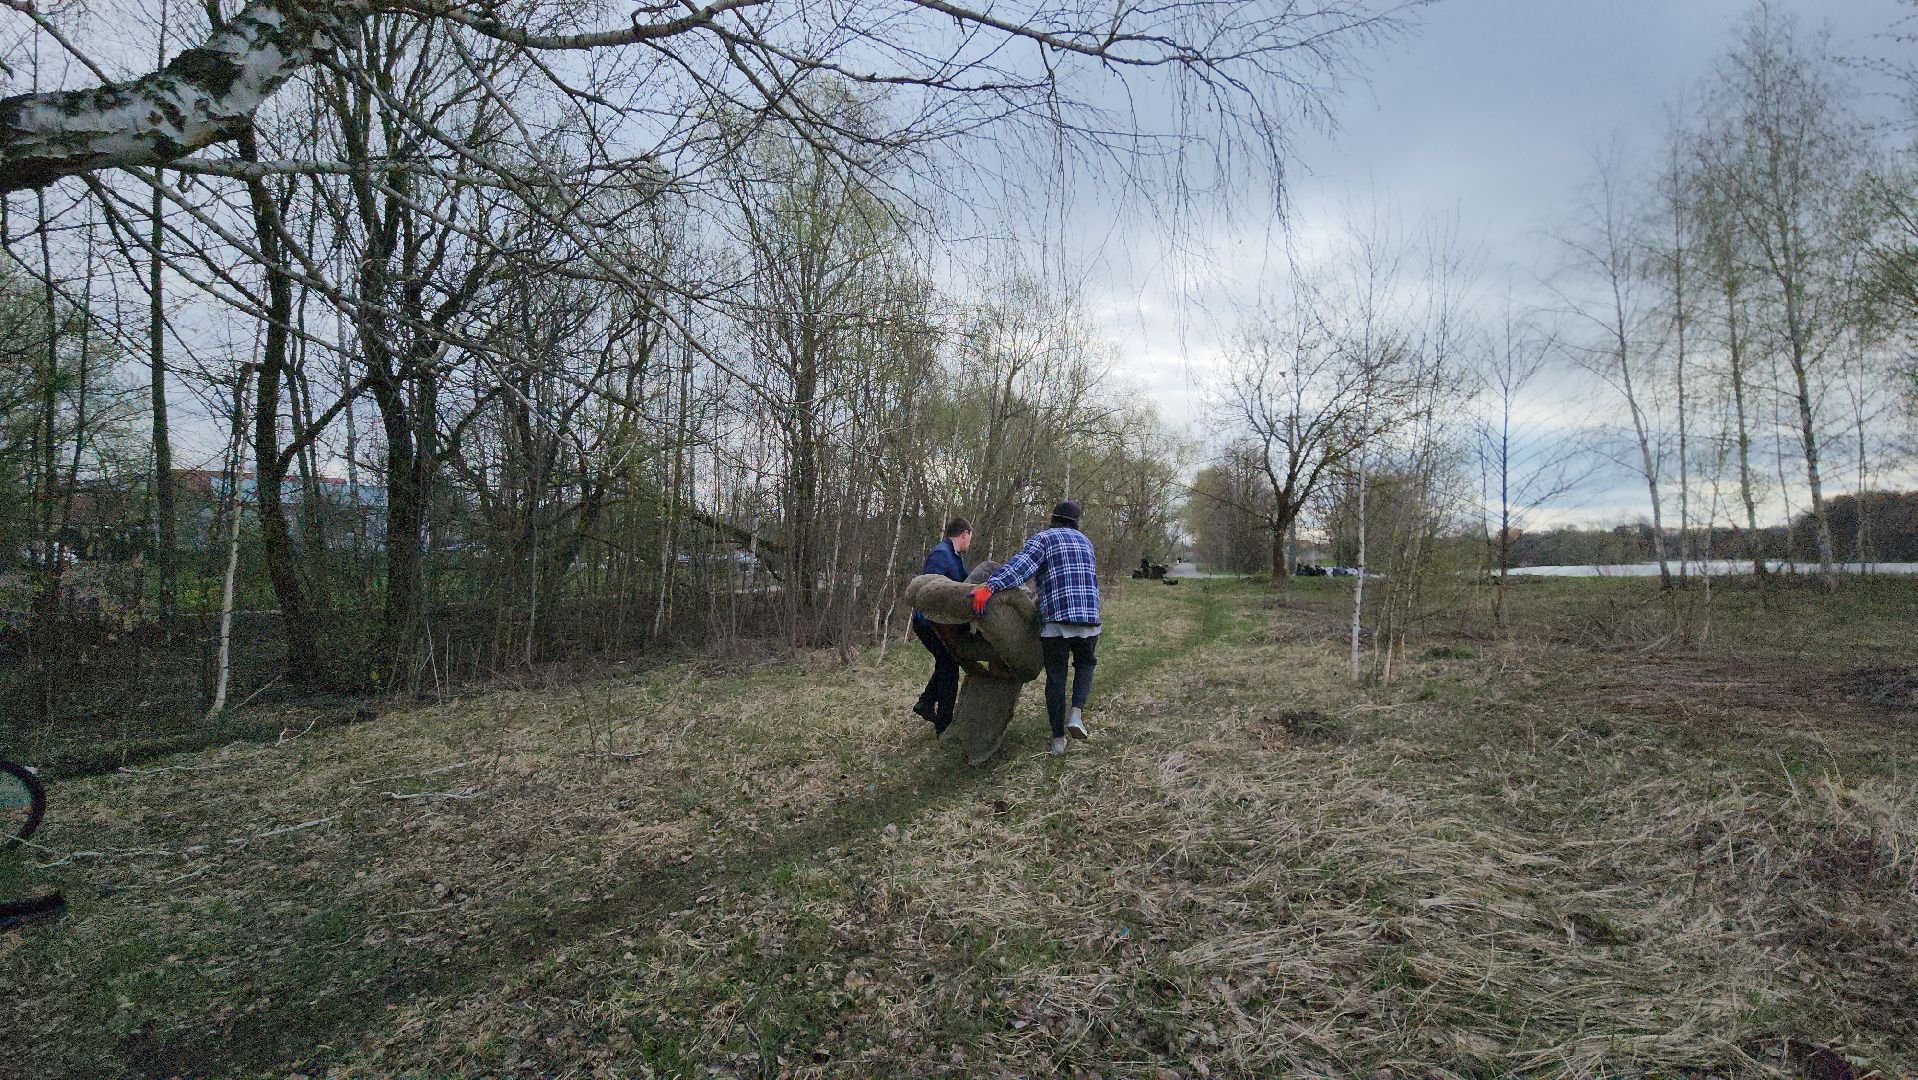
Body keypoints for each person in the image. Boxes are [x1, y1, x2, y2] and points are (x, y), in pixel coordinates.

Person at [970, 499, 1098, 756]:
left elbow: (1020, 569)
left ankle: (1058, 740)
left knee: (1056, 677)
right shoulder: (1086, 543)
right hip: (1089, 616)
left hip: (1056, 620)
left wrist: (990, 587)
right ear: (1077, 522)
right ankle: (1076, 715)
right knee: (1085, 663)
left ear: (1053, 520)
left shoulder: (1045, 539)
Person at [912, 516, 972, 733]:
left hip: (941, 624)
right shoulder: (941, 554)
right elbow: (930, 590)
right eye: (969, 537)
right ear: (964, 534)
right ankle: (943, 725)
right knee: (949, 667)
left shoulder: (955, 557)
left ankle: (926, 703)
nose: (969, 542)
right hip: (928, 623)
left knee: (947, 664)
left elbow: (963, 585)